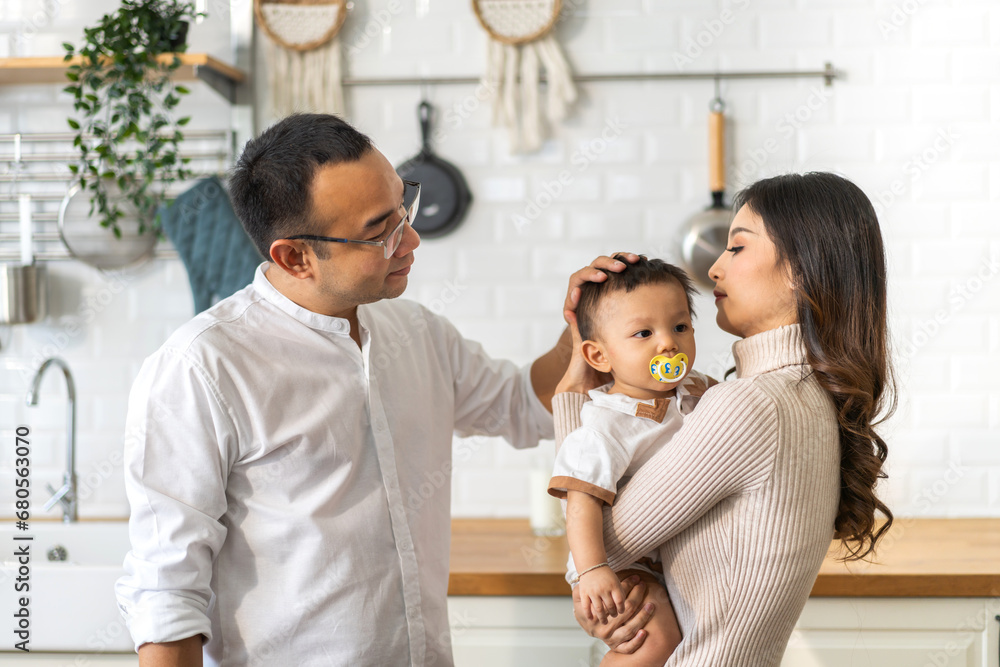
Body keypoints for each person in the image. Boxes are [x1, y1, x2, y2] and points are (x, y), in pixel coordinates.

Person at [114, 113, 572, 667]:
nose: (412, 238)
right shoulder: (202, 368)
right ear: (294, 257)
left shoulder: (417, 333)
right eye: (381, 231)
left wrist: (583, 333)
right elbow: (166, 594)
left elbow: (523, 405)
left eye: (404, 206)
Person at [553, 172, 895, 665]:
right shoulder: (803, 394)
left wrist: (576, 390)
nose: (713, 269)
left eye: (736, 247)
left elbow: (603, 544)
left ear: (801, 269)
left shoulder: (751, 406)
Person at [547, 256, 716, 665]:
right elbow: (580, 501)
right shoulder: (605, 424)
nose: (668, 343)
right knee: (652, 638)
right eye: (644, 333)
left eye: (680, 326)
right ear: (599, 356)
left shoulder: (694, 390)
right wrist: (592, 570)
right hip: (619, 563)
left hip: (667, 555)